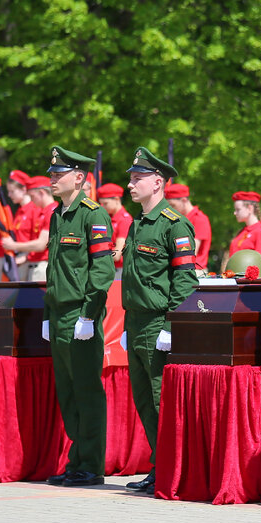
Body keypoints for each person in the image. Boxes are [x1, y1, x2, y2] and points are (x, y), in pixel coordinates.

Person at [119, 148, 197, 494]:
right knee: (142, 400)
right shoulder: (136, 224)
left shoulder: (174, 225)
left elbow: (184, 280)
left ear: (158, 182)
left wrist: (170, 325)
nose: (131, 185)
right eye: (131, 179)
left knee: (159, 399)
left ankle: (173, 469)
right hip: (135, 322)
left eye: (137, 179)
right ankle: (159, 465)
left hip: (156, 324)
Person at [42, 146, 114, 487]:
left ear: (80, 178)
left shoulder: (93, 215)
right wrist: (47, 313)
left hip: (80, 316)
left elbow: (101, 272)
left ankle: (91, 464)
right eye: (52, 174)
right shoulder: (58, 215)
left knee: (86, 391)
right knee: (67, 392)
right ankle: (77, 459)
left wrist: (89, 315)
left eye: (60, 174)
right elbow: (54, 270)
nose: (53, 179)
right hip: (58, 313)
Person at [4, 176, 56, 282]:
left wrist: (13, 245)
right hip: (34, 264)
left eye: (32, 196)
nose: (31, 200)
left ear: (41, 193)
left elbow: (41, 244)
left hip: (42, 265)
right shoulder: (44, 212)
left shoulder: (51, 212)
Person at [166, 183, 212, 270]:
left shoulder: (199, 219)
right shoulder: (177, 219)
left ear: (184, 200)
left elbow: (190, 252)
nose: (170, 210)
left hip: (193, 271)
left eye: (172, 206)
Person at [227, 191, 261, 268]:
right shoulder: (243, 231)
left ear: (250, 208)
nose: (235, 213)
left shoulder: (259, 232)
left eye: (238, 209)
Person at [98, 182, 133, 277]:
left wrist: (96, 255)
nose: (102, 207)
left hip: (119, 271)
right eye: (100, 203)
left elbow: (117, 254)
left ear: (117, 199)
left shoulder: (125, 220)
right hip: (108, 267)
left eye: (105, 203)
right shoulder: (107, 217)